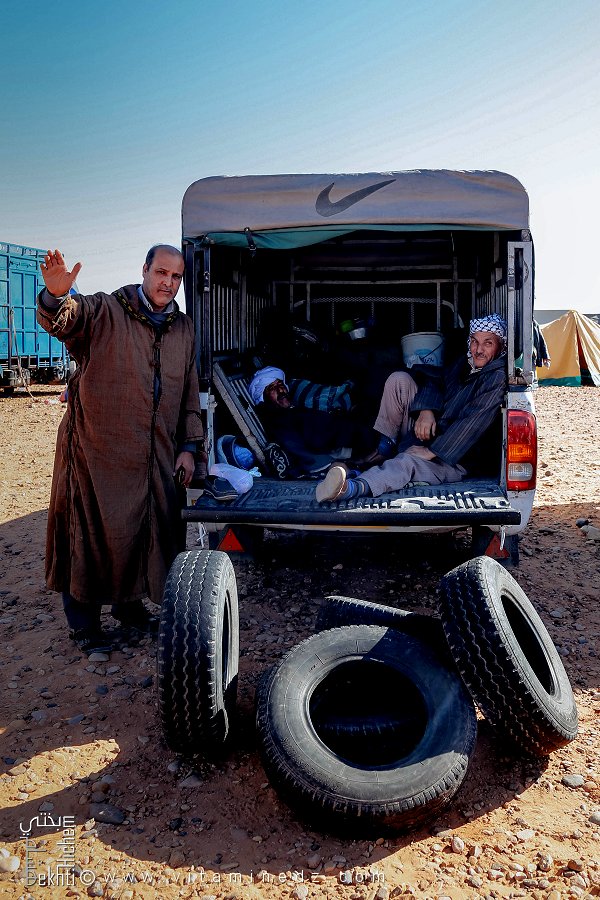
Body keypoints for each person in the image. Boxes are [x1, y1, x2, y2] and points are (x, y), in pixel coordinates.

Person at [37, 246, 205, 655]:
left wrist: (188, 447)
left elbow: (188, 391)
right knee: (91, 532)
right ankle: (84, 626)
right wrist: (55, 297)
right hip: (98, 451)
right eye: (161, 272)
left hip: (155, 453)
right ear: (144, 270)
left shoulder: (182, 327)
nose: (168, 282)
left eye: (176, 276)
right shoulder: (107, 311)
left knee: (143, 529)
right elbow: (66, 321)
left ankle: (129, 609)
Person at [316, 314, 508, 502]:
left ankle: (350, 487)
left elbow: (472, 422)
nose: (478, 349)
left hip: (455, 457)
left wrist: (432, 452)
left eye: (488, 343)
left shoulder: (496, 377)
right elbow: (435, 379)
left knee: (406, 464)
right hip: (430, 432)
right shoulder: (466, 364)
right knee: (399, 380)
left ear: (500, 346)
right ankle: (385, 447)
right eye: (475, 342)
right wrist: (426, 410)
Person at [249, 366, 374, 476]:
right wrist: (330, 464)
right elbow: (293, 444)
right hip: (335, 447)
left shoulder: (292, 409)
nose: (281, 391)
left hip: (348, 437)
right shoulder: (277, 419)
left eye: (281, 385)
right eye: (272, 388)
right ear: (262, 397)